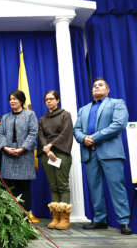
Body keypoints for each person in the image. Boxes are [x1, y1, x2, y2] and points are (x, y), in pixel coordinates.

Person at [74, 78, 132, 235]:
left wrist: (94, 137)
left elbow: (118, 124)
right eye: (94, 86)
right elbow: (77, 129)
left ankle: (124, 221)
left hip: (111, 152)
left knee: (117, 187)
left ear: (108, 90)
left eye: (100, 85)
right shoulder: (83, 109)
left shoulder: (117, 103)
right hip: (90, 153)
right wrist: (83, 138)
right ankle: (100, 220)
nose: (96, 87)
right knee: (95, 188)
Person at [0, 90, 38, 212]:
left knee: (24, 189)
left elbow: (33, 133)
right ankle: (11, 219)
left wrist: (22, 148)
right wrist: (5, 147)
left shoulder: (30, 115)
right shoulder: (5, 117)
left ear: (21, 101)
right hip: (8, 157)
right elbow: (0, 134)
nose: (12, 101)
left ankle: (25, 219)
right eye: (10, 99)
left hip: (24, 157)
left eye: (15, 99)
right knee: (10, 190)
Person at [38, 90, 73, 230]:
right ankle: (55, 217)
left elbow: (66, 132)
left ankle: (64, 218)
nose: (49, 101)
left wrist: (51, 146)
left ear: (57, 100)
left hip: (61, 154)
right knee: (53, 186)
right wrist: (47, 149)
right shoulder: (42, 119)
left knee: (62, 185)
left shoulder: (65, 115)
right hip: (47, 154)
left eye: (51, 99)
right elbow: (41, 136)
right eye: (46, 99)